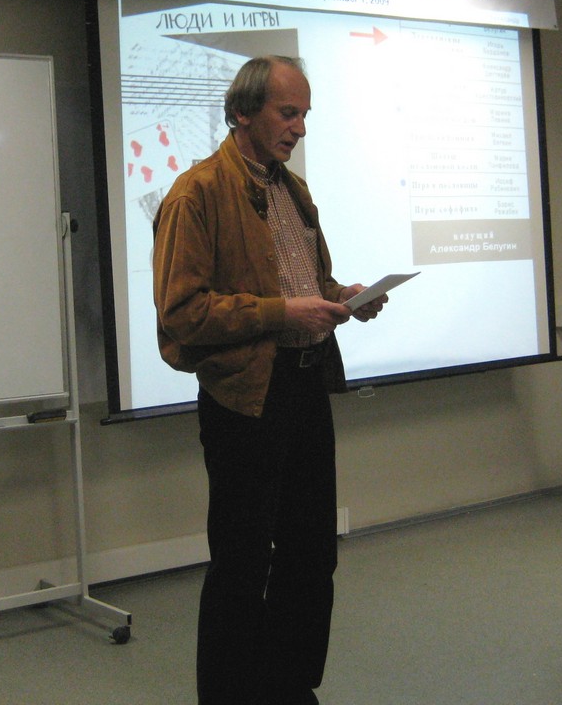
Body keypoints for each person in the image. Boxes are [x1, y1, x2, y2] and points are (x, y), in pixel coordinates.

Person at [153, 55, 386, 705]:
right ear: (242, 112)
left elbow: (306, 284)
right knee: (242, 562)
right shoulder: (196, 194)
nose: (300, 128)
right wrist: (284, 313)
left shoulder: (293, 190)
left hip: (306, 387)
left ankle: (288, 687)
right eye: (288, 113)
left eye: (305, 115)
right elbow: (182, 313)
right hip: (245, 398)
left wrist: (343, 297)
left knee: (312, 555)